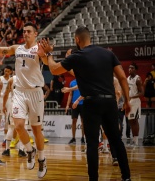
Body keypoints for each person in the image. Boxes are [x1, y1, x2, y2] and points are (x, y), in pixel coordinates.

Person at [37, 27, 131, 181]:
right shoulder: (108, 53)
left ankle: (93, 179)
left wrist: (48, 53)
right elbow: (122, 77)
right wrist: (127, 101)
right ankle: (126, 177)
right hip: (109, 102)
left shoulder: (78, 56)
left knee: (92, 144)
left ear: (77, 40)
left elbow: (53, 69)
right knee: (117, 141)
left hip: (91, 103)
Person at [0, 21, 48, 178]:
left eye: (29, 31)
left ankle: (42, 159)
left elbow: (47, 63)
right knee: (18, 125)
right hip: (19, 92)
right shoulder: (17, 48)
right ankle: (29, 151)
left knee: (37, 130)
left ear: (35, 34)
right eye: (24, 31)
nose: (25, 33)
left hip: (35, 92)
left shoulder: (40, 48)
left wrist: (46, 53)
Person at [2, 75, 27, 157]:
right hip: (23, 105)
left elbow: (6, 94)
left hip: (13, 104)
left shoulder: (11, 79)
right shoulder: (27, 78)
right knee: (22, 128)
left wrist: (3, 105)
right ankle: (21, 150)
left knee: (10, 127)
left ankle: (7, 150)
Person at [127, 63, 143, 147]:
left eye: (132, 68)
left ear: (135, 70)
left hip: (135, 101)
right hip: (129, 101)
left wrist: (132, 96)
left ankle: (136, 142)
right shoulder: (127, 79)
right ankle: (133, 140)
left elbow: (141, 92)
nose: (130, 69)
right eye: (129, 68)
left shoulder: (138, 79)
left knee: (135, 121)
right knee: (130, 121)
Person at [0, 66, 13, 146]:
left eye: (8, 71)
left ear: (11, 72)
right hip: (0, 99)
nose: (6, 72)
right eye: (5, 71)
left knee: (7, 119)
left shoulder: (12, 80)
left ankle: (5, 139)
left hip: (9, 99)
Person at [65, 79, 85, 145]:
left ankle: (83, 138)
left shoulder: (83, 80)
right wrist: (67, 105)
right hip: (74, 104)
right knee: (74, 120)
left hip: (83, 104)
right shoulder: (72, 82)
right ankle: (73, 138)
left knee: (83, 121)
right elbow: (70, 94)